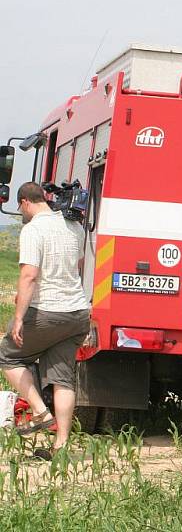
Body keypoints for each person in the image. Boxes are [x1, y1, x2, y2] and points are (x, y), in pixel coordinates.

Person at [0, 182, 90, 457]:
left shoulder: (34, 229)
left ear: (26, 202)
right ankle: (61, 446)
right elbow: (79, 266)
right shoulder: (72, 226)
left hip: (47, 312)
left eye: (20, 207)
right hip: (77, 314)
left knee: (7, 356)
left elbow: (29, 275)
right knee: (63, 379)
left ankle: (39, 412)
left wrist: (18, 319)